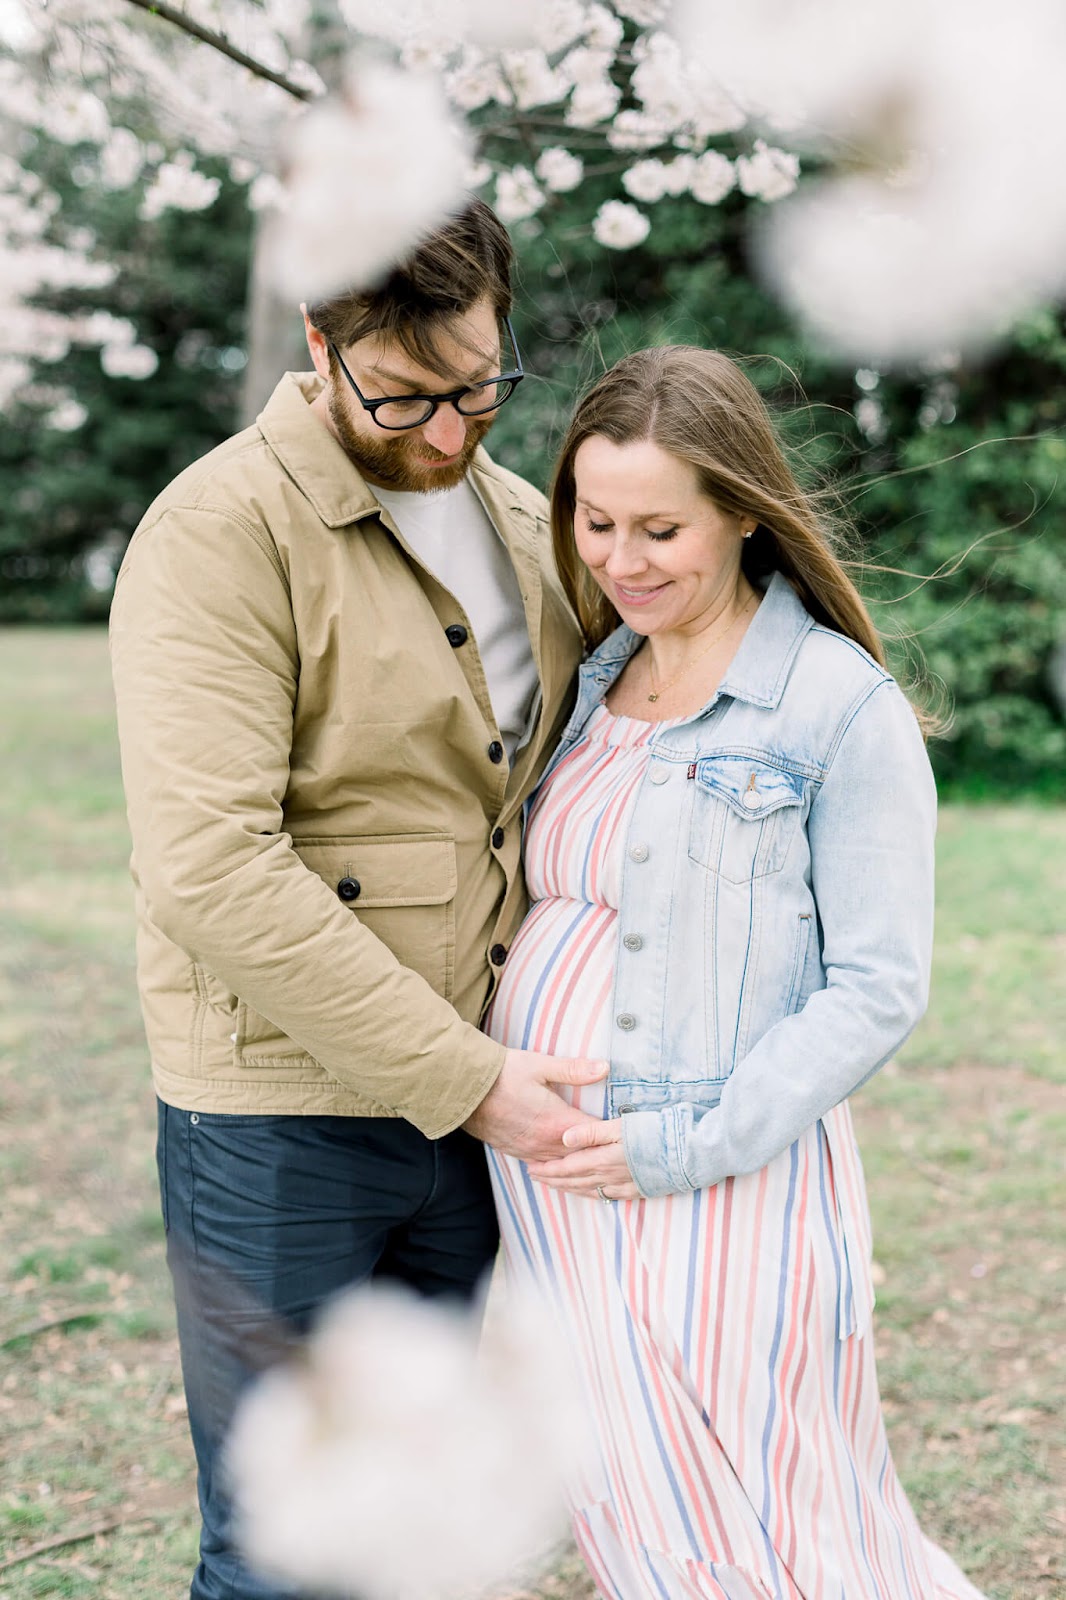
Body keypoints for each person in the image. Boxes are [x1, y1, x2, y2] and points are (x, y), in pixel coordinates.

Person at [108, 199, 605, 1600]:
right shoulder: (217, 530)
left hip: (478, 1112)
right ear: (318, 345)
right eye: (405, 396)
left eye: (480, 387)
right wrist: (472, 1080)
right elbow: (210, 866)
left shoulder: (522, 520)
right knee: (288, 1546)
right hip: (282, 1125)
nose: (451, 434)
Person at [484, 346, 988, 1600]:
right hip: (558, 1190)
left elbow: (877, 985)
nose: (619, 557)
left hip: (724, 1177)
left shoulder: (834, 705)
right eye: (594, 522)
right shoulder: (598, 678)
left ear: (743, 514)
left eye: (660, 527)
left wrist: (687, 1141)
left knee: (788, 1510)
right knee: (628, 1490)